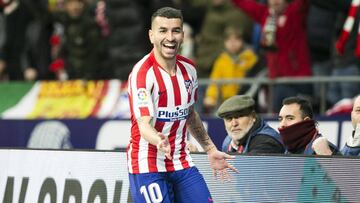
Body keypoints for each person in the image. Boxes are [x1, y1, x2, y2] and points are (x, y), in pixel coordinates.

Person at [127, 7, 238, 203]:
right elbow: (143, 124)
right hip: (148, 164)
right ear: (151, 36)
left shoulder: (189, 69)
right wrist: (158, 140)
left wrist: (210, 149)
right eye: (163, 31)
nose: (170, 37)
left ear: (183, 35)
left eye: (175, 30)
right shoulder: (143, 74)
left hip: (181, 162)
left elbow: (190, 114)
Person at [231, 0, 313, 113]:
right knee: (279, 117)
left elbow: (304, 3)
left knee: (298, 118)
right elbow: (244, 3)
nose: (275, 1)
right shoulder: (265, 14)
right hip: (277, 80)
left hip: (298, 78)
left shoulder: (295, 12)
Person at [203, 26, 258, 114]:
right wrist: (211, 96)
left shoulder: (251, 58)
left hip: (247, 101)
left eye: (236, 39)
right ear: (224, 42)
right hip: (226, 101)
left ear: (242, 41)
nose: (232, 43)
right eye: (228, 40)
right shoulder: (221, 60)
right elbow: (214, 81)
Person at [217, 95, 284, 154]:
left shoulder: (266, 142)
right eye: (229, 119)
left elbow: (248, 168)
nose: (234, 124)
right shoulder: (228, 142)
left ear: (253, 116)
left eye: (239, 116)